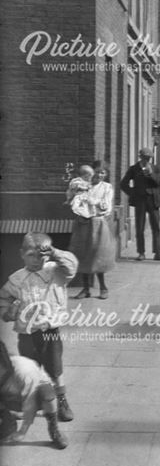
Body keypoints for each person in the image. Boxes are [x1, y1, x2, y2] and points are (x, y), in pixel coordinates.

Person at [0, 232, 77, 422]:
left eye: (41, 256)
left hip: (50, 331)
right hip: (26, 333)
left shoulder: (56, 271)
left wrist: (55, 252)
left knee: (55, 368)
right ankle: (32, 402)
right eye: (31, 256)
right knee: (30, 369)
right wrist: (8, 312)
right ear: (22, 254)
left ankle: (62, 401)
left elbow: (72, 265)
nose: (36, 260)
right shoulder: (17, 279)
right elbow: (4, 299)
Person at [0, 342, 68, 449]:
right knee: (5, 432)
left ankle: (54, 429)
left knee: (47, 395)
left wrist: (22, 431)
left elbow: (30, 404)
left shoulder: (24, 371)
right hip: (8, 398)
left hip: (32, 397)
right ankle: (8, 419)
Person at [68, 161, 116, 299]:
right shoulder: (83, 185)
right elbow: (73, 199)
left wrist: (92, 202)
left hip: (97, 224)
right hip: (83, 224)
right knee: (83, 254)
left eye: (103, 172)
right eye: (97, 172)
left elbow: (106, 207)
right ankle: (86, 288)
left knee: (97, 255)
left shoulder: (106, 187)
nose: (99, 175)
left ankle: (103, 287)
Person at [120, 148, 160, 261]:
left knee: (156, 226)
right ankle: (141, 252)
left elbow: (159, 183)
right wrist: (133, 193)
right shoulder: (134, 169)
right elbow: (123, 184)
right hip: (140, 200)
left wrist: (151, 174)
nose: (147, 160)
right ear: (140, 157)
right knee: (140, 227)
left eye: (149, 158)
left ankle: (158, 253)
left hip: (153, 200)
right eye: (145, 157)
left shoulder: (155, 168)